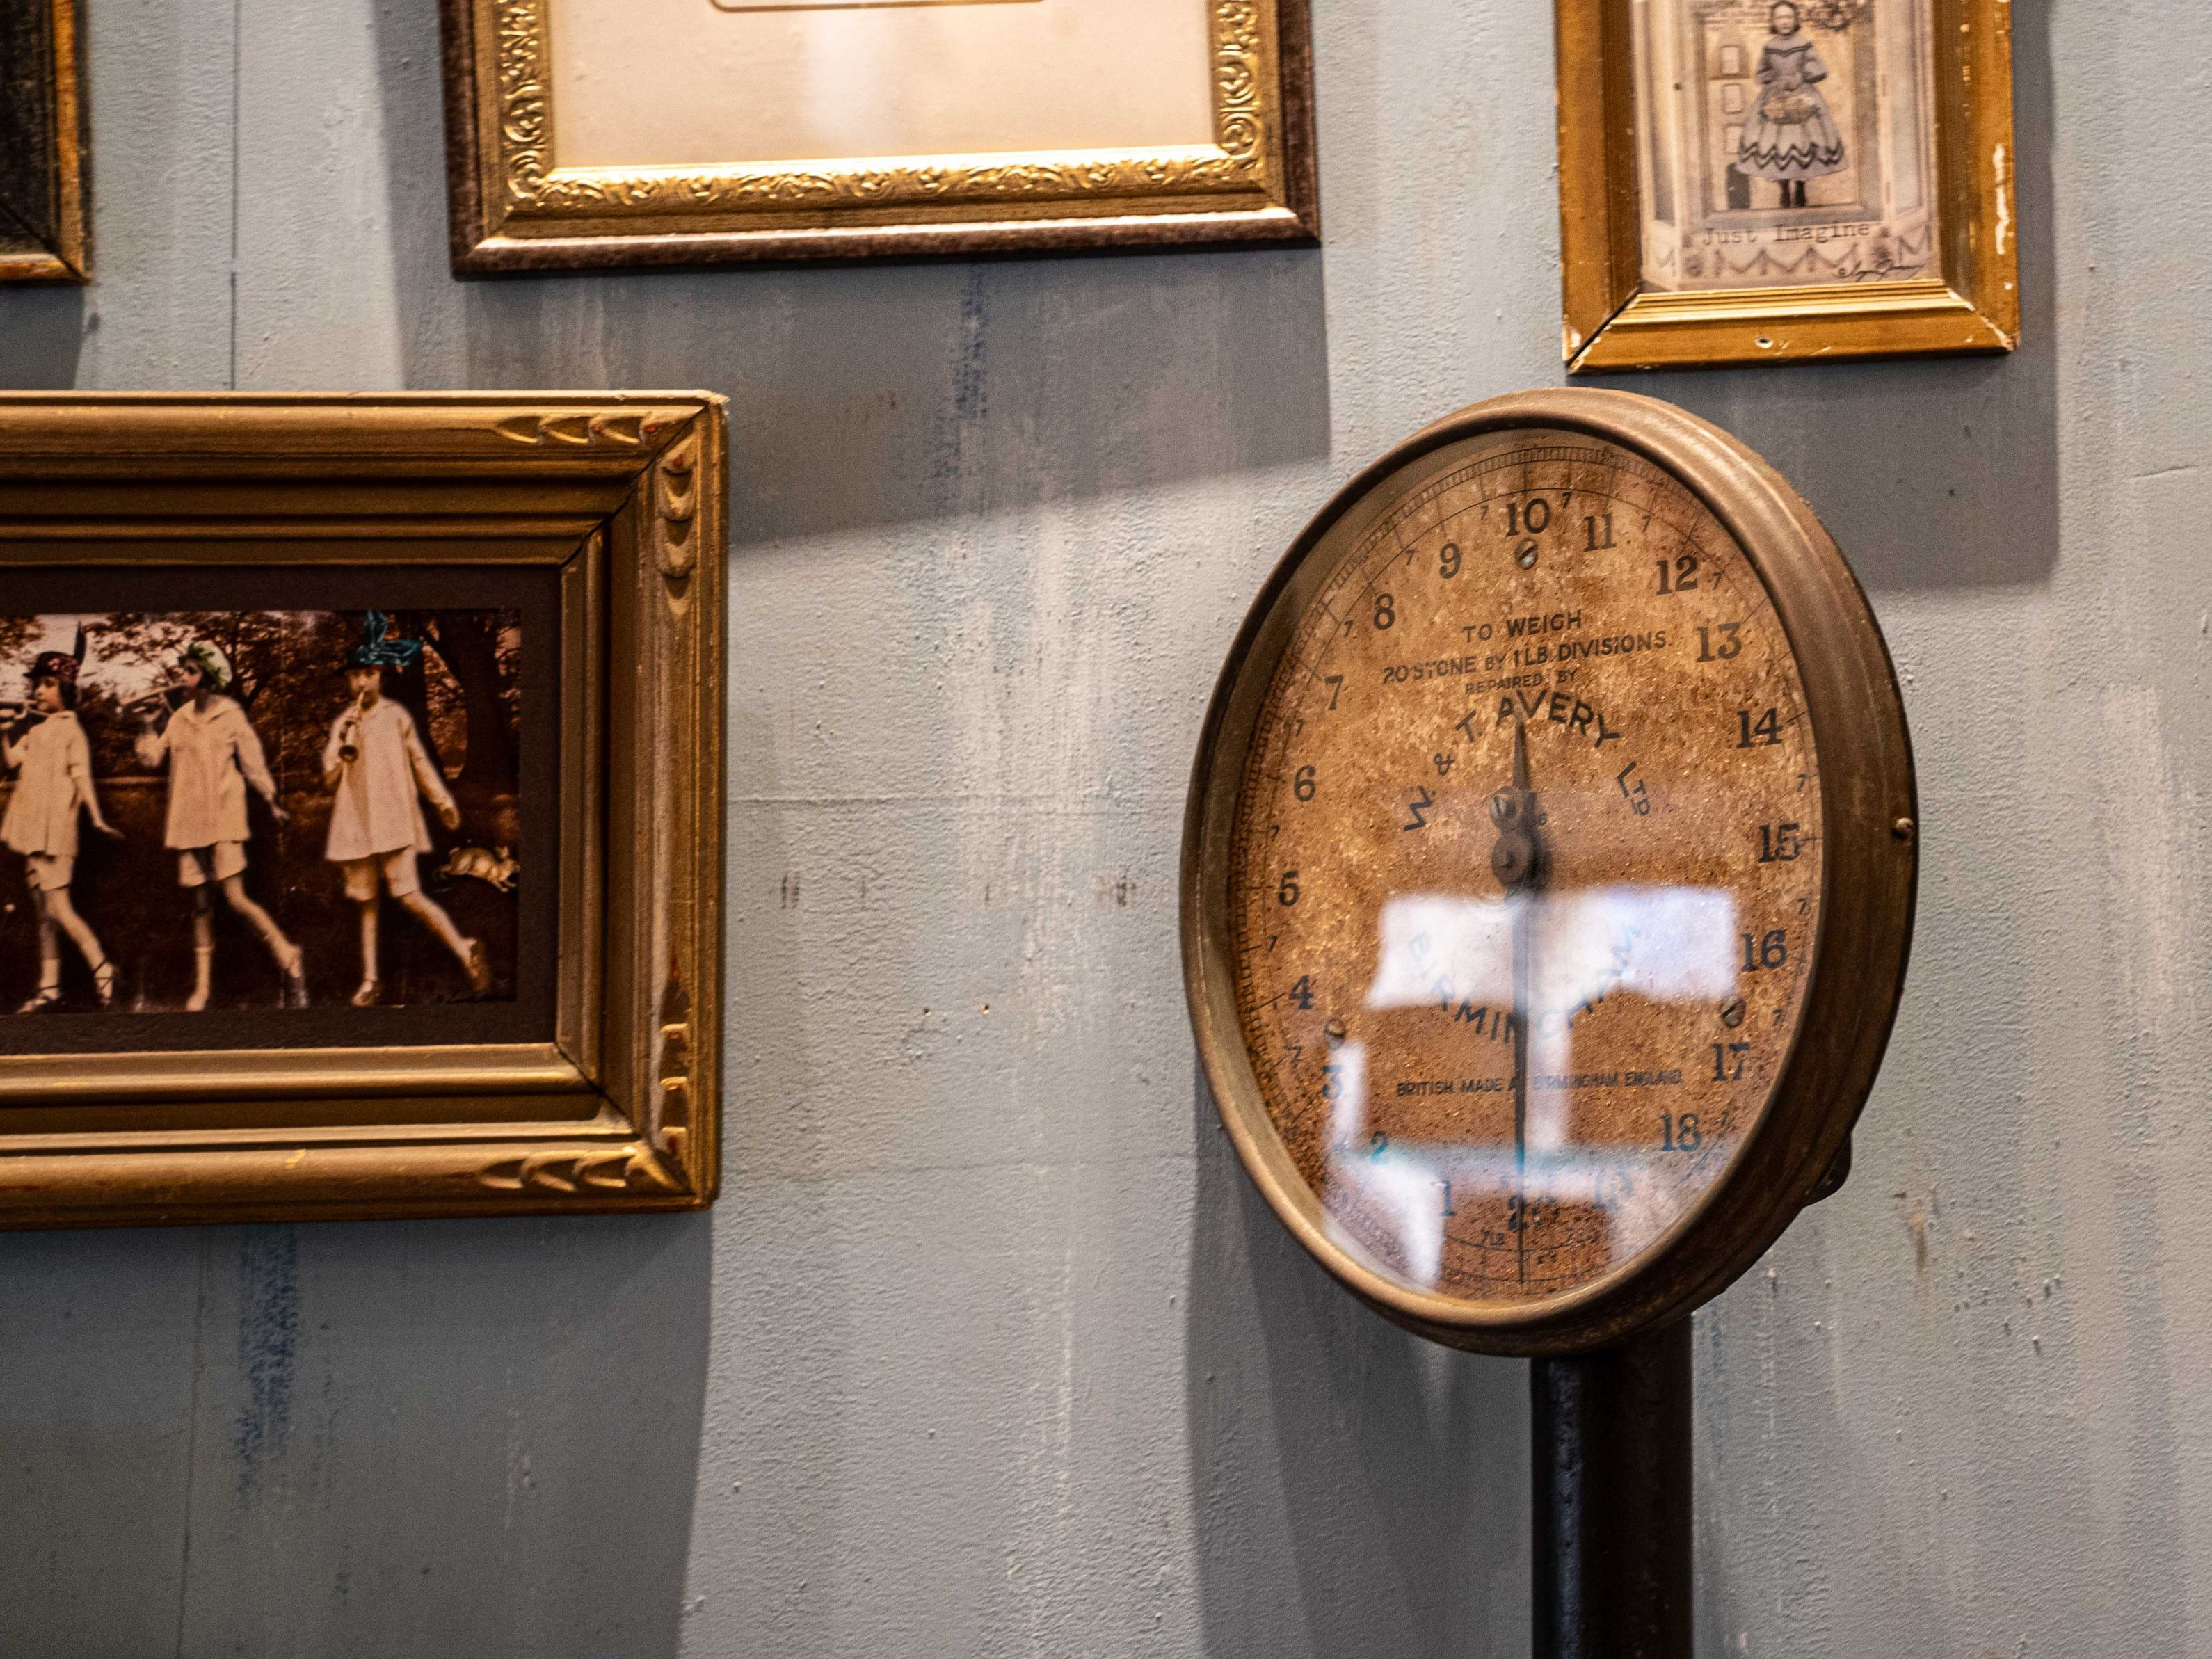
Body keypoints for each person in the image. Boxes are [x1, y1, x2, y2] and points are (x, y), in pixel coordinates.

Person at [322, 614, 490, 1006]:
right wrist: (343, 744)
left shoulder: (396, 717)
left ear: (380, 676)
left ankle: (466, 949)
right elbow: (329, 780)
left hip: (391, 820)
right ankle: (371, 979)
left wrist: (442, 801)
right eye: (354, 676)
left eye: (367, 675)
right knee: (367, 901)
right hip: (356, 823)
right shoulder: (343, 722)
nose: (360, 683)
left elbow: (420, 763)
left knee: (409, 894)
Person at [135, 640, 307, 1011]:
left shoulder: (230, 714)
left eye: (191, 671)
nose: (183, 677)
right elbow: (151, 759)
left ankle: (288, 954)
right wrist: (146, 728)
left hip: (223, 819)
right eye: (183, 670)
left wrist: (271, 800)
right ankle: (202, 989)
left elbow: (253, 762)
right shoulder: (178, 718)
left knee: (235, 898)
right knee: (200, 906)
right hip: (189, 822)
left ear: (210, 677)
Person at [1, 650, 121, 1011]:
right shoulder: (35, 732)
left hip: (57, 833)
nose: (39, 691)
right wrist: (3, 733)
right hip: (32, 831)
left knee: (59, 907)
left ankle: (102, 967)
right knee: (44, 914)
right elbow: (11, 762)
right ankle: (50, 987)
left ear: (66, 689)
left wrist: (96, 818)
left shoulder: (72, 731)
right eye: (37, 684)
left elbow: (82, 778)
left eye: (48, 684)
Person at [1737, 2, 1845, 210]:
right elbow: (1760, 73)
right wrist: (1774, 78)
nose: (1784, 22)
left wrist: (1801, 76)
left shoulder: (1804, 44)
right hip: (1775, 96)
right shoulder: (1769, 47)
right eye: (1780, 18)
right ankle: (1784, 189)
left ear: (1795, 20)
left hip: (1802, 94)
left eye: (1788, 17)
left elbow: (1819, 69)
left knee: (1802, 143)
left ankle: (1801, 187)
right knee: (1777, 145)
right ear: (1773, 21)